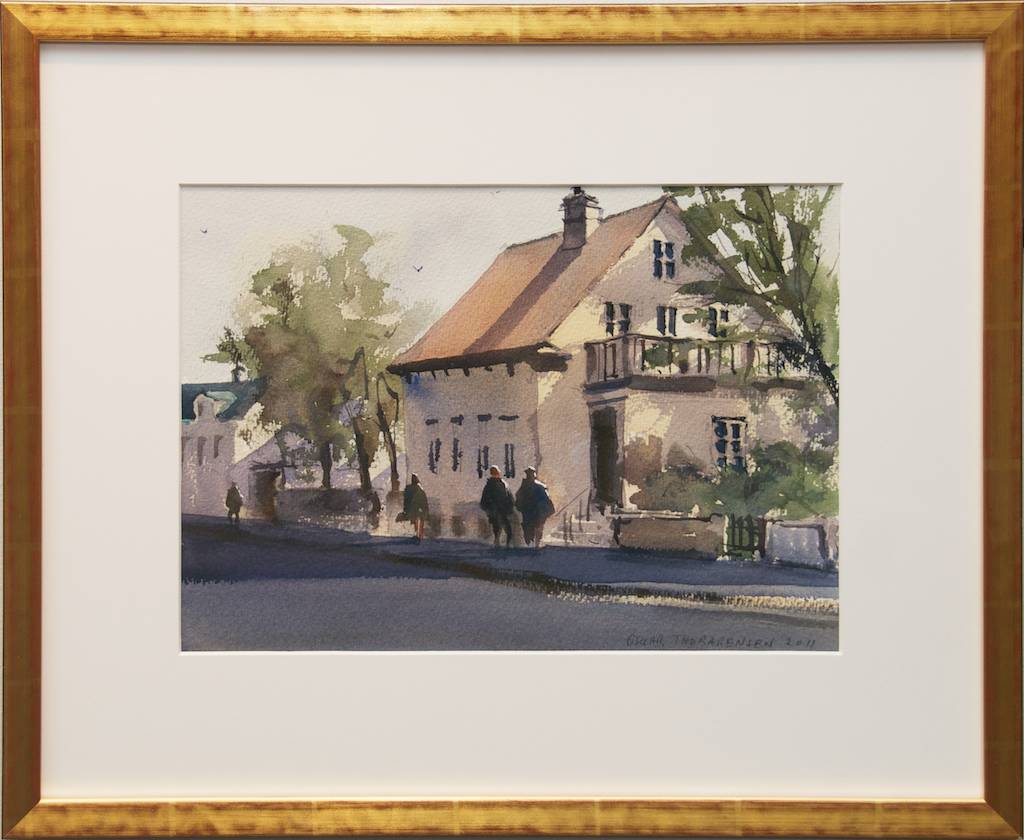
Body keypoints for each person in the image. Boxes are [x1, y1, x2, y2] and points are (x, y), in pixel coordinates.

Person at [515, 466, 555, 548]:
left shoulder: (538, 487)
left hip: (535, 514)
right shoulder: (527, 487)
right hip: (530, 514)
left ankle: (534, 545)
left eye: (531, 474)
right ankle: (533, 546)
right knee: (531, 532)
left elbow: (547, 501)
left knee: (533, 532)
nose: (530, 476)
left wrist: (548, 511)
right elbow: (518, 501)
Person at [480, 465, 515, 547]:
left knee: (500, 529)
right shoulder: (499, 484)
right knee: (504, 529)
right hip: (499, 510)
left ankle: (501, 543)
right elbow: (509, 497)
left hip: (498, 510)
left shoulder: (491, 485)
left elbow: (484, 500)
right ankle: (504, 544)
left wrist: (487, 508)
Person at [402, 473, 430, 542]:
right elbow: (423, 499)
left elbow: (406, 499)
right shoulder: (419, 488)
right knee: (420, 520)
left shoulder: (409, 488)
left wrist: (405, 508)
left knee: (416, 520)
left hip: (413, 508)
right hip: (418, 508)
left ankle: (417, 534)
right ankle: (419, 535)